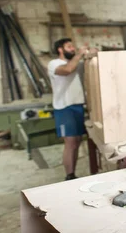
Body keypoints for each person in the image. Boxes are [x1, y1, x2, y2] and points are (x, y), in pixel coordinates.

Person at [47, 38, 92, 181]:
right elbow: (67, 70)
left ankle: (72, 173)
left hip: (77, 106)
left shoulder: (75, 62)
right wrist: (79, 54)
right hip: (64, 107)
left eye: (73, 47)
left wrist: (92, 52)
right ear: (60, 49)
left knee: (77, 141)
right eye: (69, 47)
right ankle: (69, 175)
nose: (72, 49)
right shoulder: (54, 64)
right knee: (70, 142)